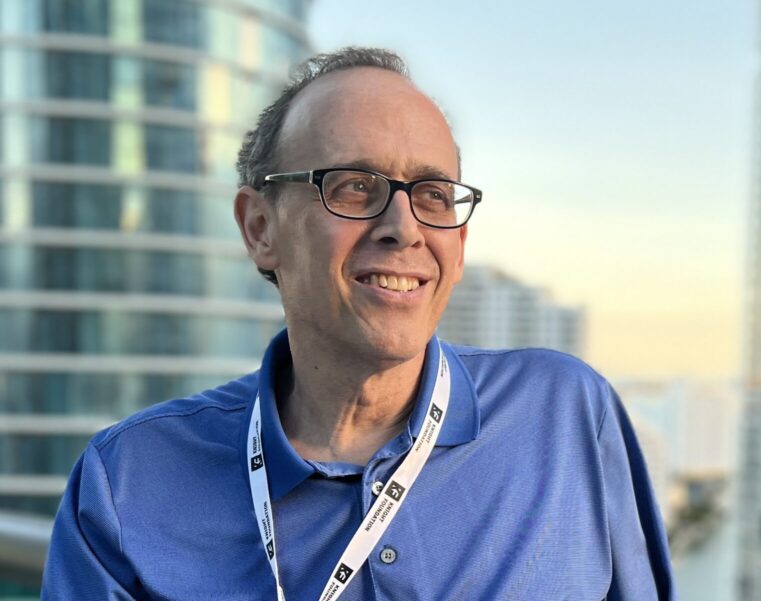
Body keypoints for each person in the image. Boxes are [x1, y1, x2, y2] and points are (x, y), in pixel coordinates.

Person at [42, 47, 675, 600]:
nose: (404, 228)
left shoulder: (565, 416)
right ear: (261, 229)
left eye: (432, 194)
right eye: (352, 186)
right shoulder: (128, 481)